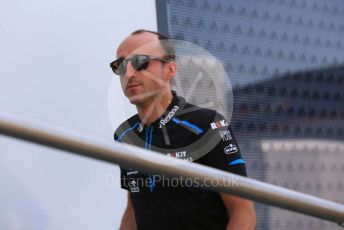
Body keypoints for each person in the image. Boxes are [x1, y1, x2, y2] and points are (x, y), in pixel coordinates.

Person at [111, 29, 256, 230]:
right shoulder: (124, 135)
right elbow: (134, 208)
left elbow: (243, 211)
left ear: (170, 70)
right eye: (121, 65)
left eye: (140, 62)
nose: (129, 73)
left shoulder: (208, 124)